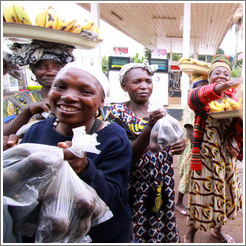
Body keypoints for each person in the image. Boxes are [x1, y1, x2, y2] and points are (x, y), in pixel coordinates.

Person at [4, 62, 133, 243]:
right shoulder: (35, 131)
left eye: (85, 92)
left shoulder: (114, 138)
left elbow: (114, 196)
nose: (69, 97)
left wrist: (85, 170)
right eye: (60, 87)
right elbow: (19, 191)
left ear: (101, 101)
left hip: (100, 236)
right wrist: (10, 162)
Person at [101, 60, 186, 243]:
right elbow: (126, 158)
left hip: (161, 183)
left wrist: (181, 143)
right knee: (137, 229)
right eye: (136, 81)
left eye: (148, 81)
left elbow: (173, 137)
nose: (144, 86)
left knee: (159, 223)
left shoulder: (159, 110)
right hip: (135, 188)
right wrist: (149, 127)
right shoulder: (116, 114)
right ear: (124, 86)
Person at [184, 54, 243, 243]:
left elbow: (240, 126)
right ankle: (190, 234)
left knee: (225, 196)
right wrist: (225, 85)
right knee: (202, 196)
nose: (222, 76)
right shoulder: (202, 94)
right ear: (209, 78)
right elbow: (193, 100)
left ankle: (218, 231)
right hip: (205, 157)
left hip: (226, 156)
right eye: (216, 73)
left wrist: (237, 144)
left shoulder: (234, 99)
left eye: (226, 73)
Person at [3, 40, 74, 136]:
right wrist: (27, 112)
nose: (50, 72)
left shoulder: (79, 100)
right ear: (33, 70)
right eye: (41, 66)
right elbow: (3, 137)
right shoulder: (15, 101)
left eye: (57, 67)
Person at [176, 74, 208, 216]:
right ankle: (178, 202)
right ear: (195, 89)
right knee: (187, 176)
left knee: (197, 177)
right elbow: (190, 131)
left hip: (200, 146)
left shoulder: (206, 102)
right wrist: (198, 147)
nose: (204, 89)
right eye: (201, 86)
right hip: (192, 148)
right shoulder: (192, 103)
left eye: (206, 86)